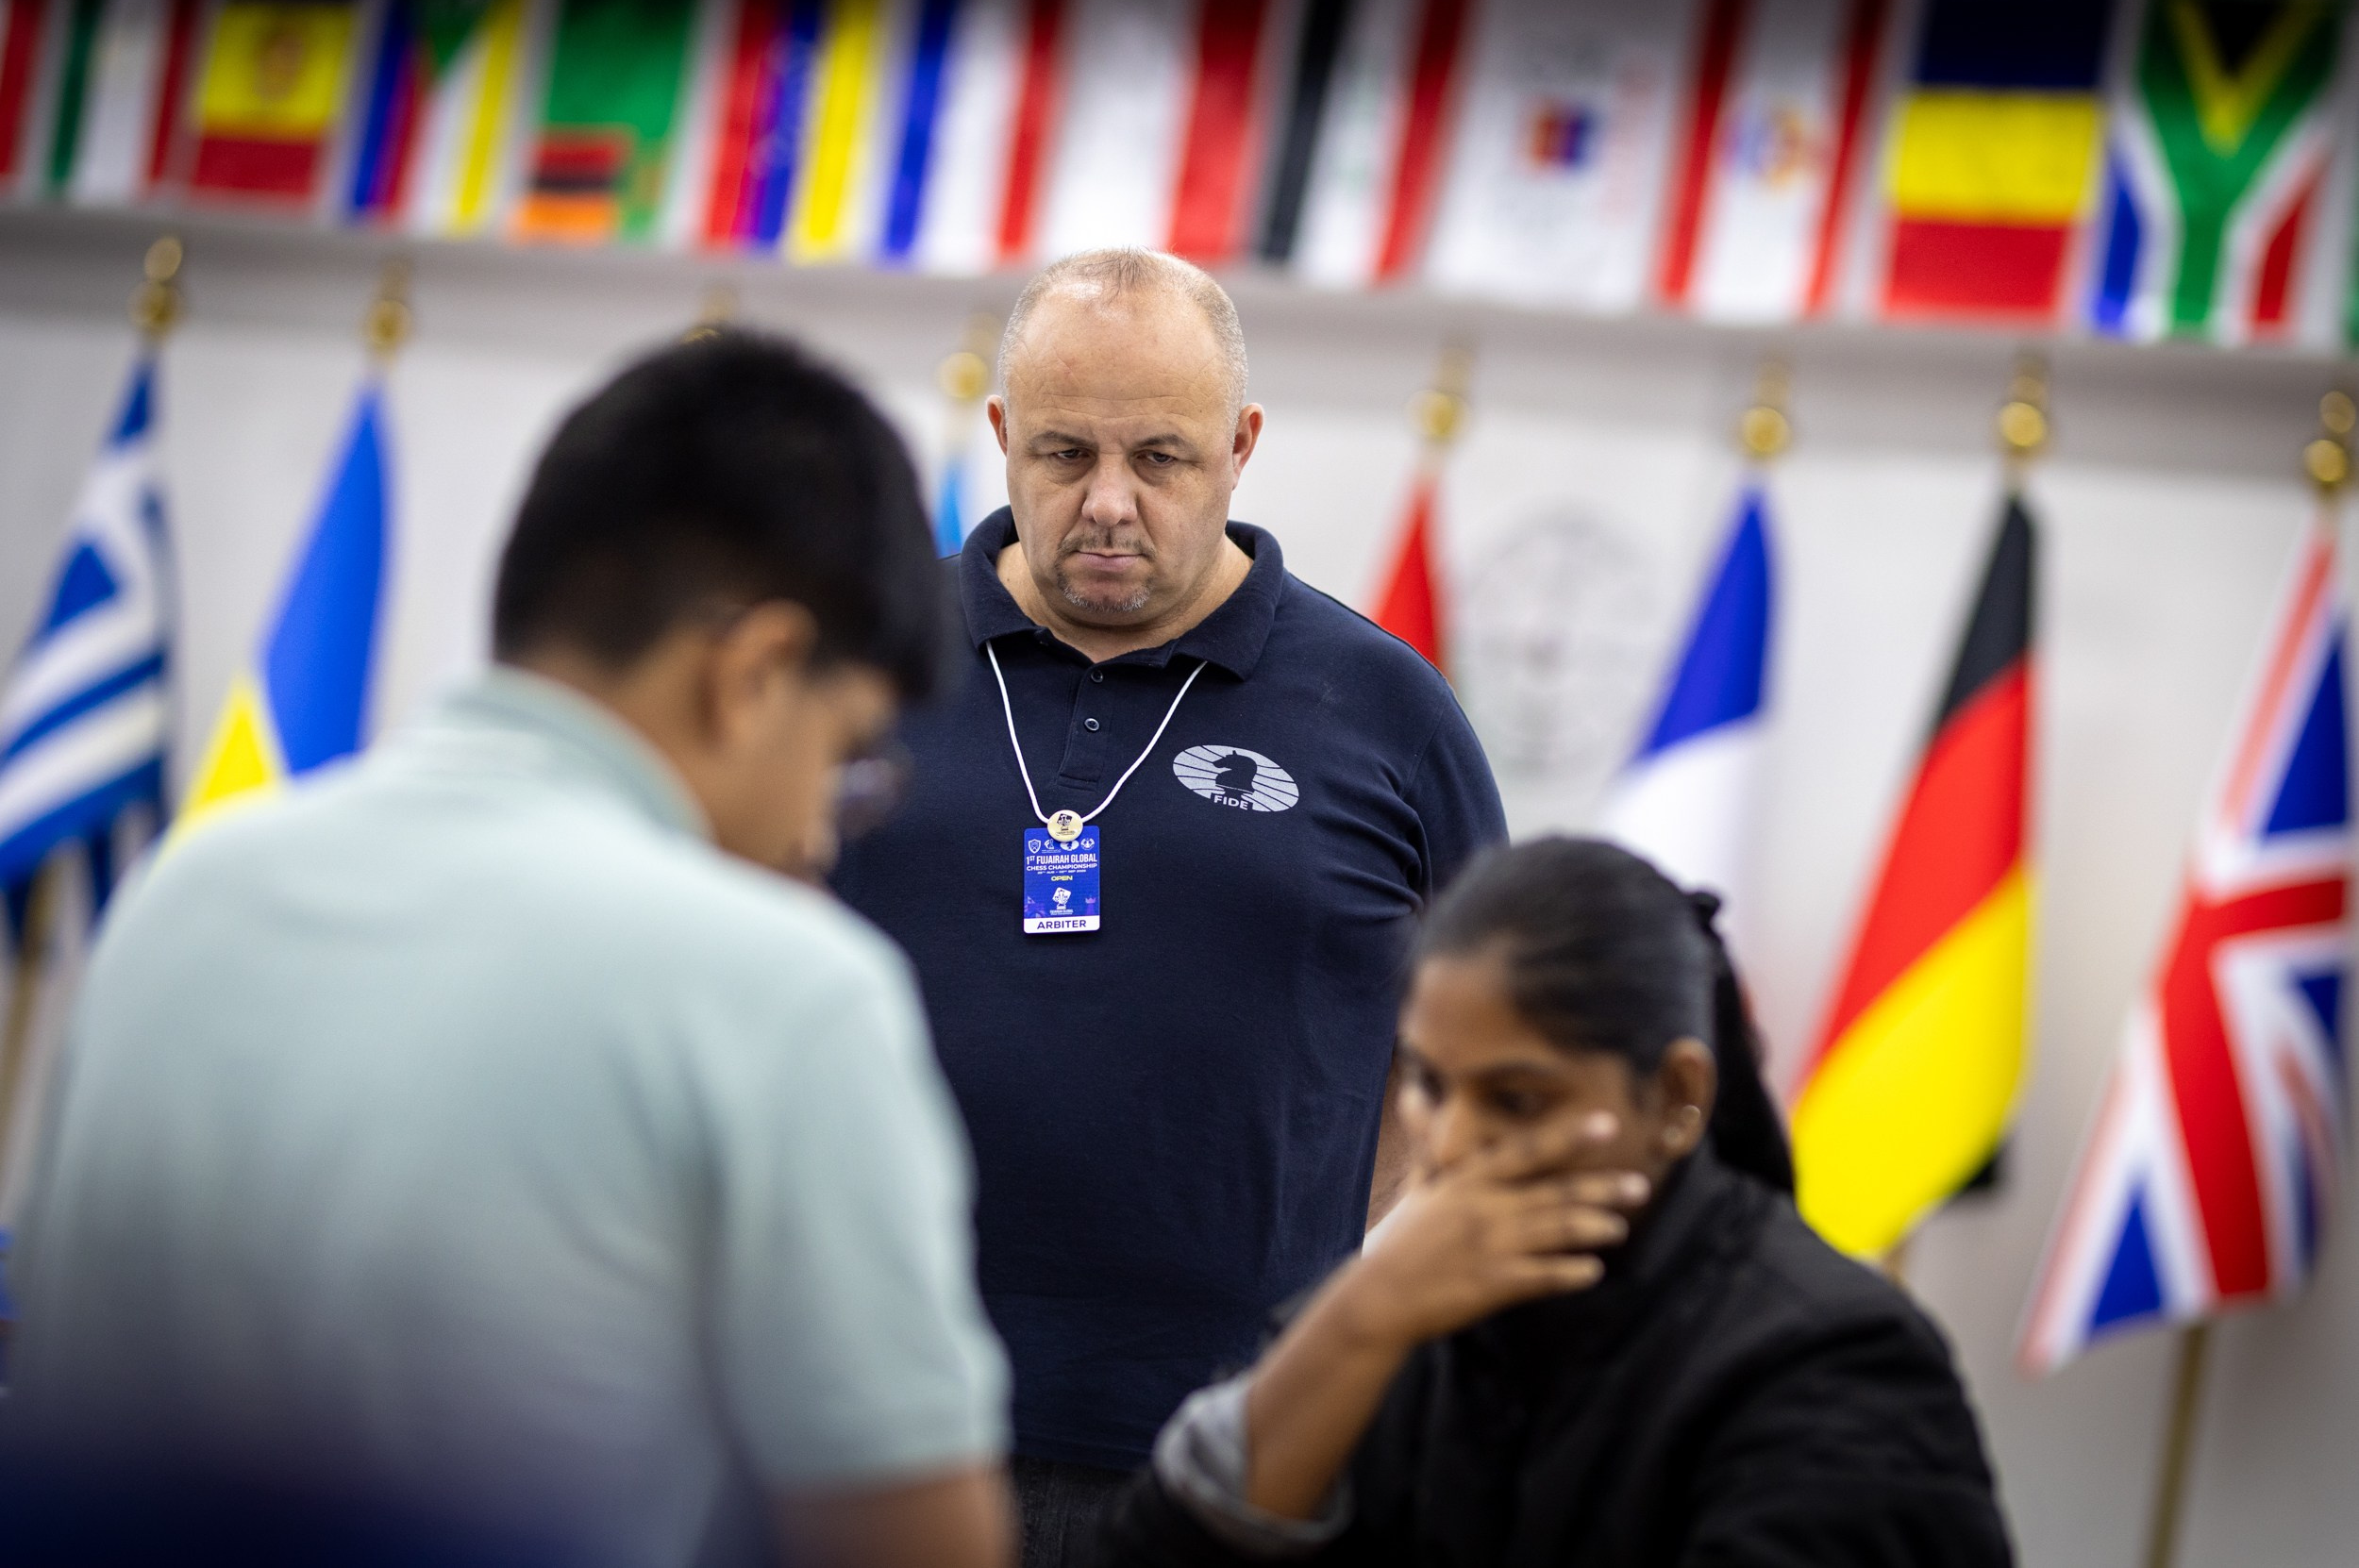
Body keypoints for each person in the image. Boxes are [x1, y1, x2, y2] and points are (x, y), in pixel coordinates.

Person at [1, 334, 1013, 1568]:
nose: (819, 831)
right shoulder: (782, 991)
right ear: (753, 674)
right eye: (848, 754)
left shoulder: (185, 889)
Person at [831, 249, 1506, 1564]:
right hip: (865, 1426)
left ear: (1242, 447)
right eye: (1065, 454)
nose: (1107, 506)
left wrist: (1350, 1266)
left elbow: (1488, 1049)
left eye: (1162, 459)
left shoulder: (1388, 712)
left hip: (1241, 1458)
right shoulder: (861, 658)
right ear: (1000, 434)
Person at [1098, 837, 2015, 1567]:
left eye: (1518, 1100)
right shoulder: (1410, 1306)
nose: (1450, 1144)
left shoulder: (1830, 1355)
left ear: (1674, 1097)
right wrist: (1353, 1324)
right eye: (1427, 1081)